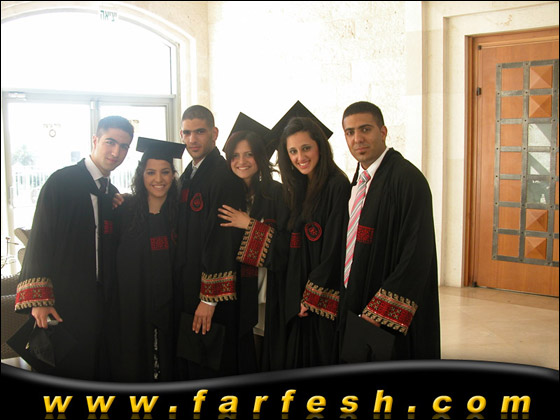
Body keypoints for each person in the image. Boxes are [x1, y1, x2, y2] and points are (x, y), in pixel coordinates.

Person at [14, 115, 134, 380]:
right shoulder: (62, 183)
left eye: (124, 146)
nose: (116, 152)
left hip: (101, 302)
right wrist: (40, 302)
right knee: (68, 369)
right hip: (65, 299)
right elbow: (41, 240)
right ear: (95, 140)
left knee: (100, 367)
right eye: (110, 142)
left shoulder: (110, 192)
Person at [337, 101, 440, 361]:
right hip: (357, 296)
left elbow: (417, 253)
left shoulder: (408, 180)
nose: (357, 139)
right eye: (350, 132)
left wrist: (380, 310)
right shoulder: (359, 180)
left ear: (383, 132)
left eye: (365, 129)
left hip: (386, 310)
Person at [274, 101, 351, 368]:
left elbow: (335, 247)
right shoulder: (298, 186)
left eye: (306, 148)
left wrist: (311, 295)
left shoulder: (337, 185)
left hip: (321, 294)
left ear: (320, 146)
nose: (300, 157)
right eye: (293, 151)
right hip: (299, 288)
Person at [175, 105, 247, 379]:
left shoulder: (223, 176)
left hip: (211, 291)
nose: (192, 139)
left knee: (211, 362)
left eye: (200, 132)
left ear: (214, 133)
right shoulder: (190, 173)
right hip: (189, 283)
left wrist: (210, 298)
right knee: (192, 358)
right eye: (187, 133)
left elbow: (223, 239)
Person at [218, 112, 291, 372]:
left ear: (260, 157)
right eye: (235, 156)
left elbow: (286, 246)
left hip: (266, 290)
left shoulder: (278, 193)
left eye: (248, 154)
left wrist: (249, 224)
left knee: (262, 351)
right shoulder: (225, 193)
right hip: (234, 288)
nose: (241, 162)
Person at [109, 137, 184, 382]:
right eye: (151, 172)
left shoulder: (183, 214)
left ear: (173, 175)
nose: (158, 179)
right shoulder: (124, 210)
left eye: (165, 172)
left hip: (173, 303)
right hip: (132, 304)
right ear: (141, 175)